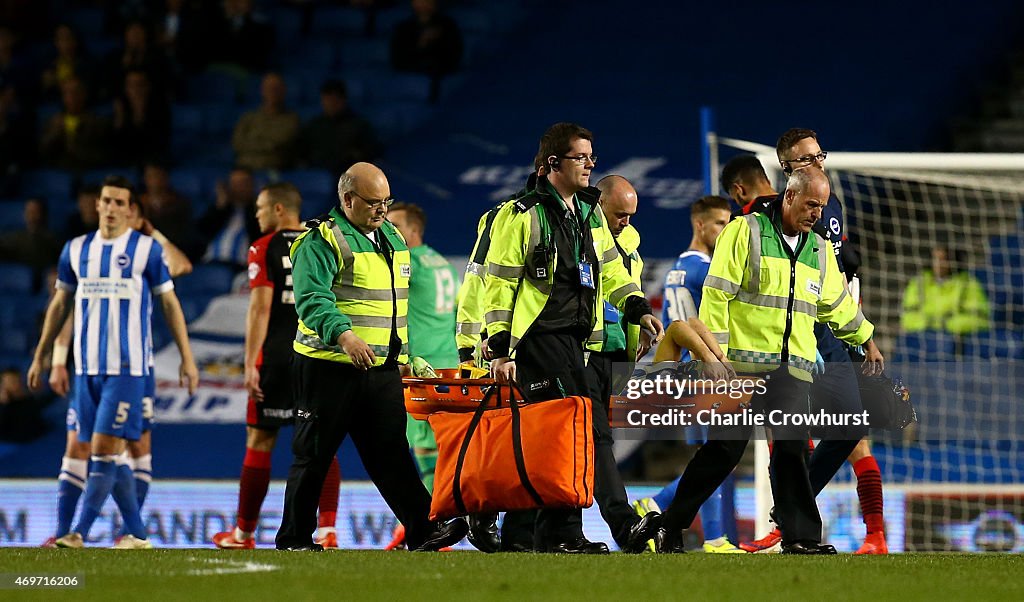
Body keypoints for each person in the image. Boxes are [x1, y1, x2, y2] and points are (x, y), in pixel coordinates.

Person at [654, 168, 882, 555]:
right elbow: (717, 295)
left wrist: (866, 339)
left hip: (790, 369)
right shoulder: (745, 232)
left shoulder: (819, 249)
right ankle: (670, 525)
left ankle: (801, 537)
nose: (816, 214)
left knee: (793, 450)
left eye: (822, 207)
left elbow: (835, 305)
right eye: (811, 204)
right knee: (722, 454)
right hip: (739, 366)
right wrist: (716, 356)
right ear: (789, 196)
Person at [484, 123, 664, 554]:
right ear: (552, 164)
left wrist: (637, 306)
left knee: (555, 436)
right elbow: (498, 284)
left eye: (591, 157)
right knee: (573, 430)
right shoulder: (521, 215)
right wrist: (499, 347)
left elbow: (610, 267)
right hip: (536, 340)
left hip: (574, 343)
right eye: (580, 157)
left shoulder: (586, 210)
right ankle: (573, 531)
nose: (589, 165)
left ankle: (526, 534)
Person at [275, 162, 467, 551]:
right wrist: (345, 337)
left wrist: (404, 354)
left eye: (386, 201)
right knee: (314, 455)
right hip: (327, 367)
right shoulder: (320, 241)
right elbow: (312, 301)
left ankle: (423, 528)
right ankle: (294, 537)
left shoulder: (393, 239)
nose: (382, 209)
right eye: (374, 202)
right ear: (347, 200)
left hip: (378, 369)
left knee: (391, 452)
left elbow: (395, 306)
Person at [723, 149, 891, 555]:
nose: (813, 161)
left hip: (832, 334)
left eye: (818, 154)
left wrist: (862, 334)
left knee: (851, 433)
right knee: (789, 433)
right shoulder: (755, 222)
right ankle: (796, 524)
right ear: (785, 169)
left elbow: (842, 266)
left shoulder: (823, 207)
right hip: (786, 340)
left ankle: (868, 533)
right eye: (803, 157)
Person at [27, 175, 199, 549]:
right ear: (97, 205)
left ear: (130, 209)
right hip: (85, 369)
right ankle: (136, 534)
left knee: (109, 449)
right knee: (98, 451)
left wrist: (188, 358)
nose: (111, 208)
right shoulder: (75, 249)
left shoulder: (146, 250)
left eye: (120, 202)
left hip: (129, 369)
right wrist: (45, 354)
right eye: (106, 200)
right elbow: (60, 305)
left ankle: (76, 534)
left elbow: (170, 302)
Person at [213, 183, 342, 550]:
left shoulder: (264, 247)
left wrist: (251, 361)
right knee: (321, 445)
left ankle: (243, 534)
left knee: (260, 441)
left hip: (275, 359)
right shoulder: (322, 241)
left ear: (280, 209)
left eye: (261, 208)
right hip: (315, 355)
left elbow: (260, 308)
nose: (257, 215)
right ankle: (327, 530)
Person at [634, 194, 743, 554]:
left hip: (682, 368)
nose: (726, 232)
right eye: (720, 224)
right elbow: (698, 321)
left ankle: (659, 507)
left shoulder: (677, 267)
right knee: (714, 457)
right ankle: (712, 537)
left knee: (709, 456)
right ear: (700, 224)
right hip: (703, 368)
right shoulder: (707, 269)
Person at [581, 174, 662, 553]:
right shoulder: (580, 237)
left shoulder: (630, 244)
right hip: (581, 352)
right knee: (597, 441)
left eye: (631, 215)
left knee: (584, 442)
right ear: (598, 207)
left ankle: (528, 529)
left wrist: (639, 327)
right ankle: (624, 523)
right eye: (619, 214)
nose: (625, 222)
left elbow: (629, 291)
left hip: (615, 354)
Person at [900, 244, 990, 335]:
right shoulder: (918, 283)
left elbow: (980, 319)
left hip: (956, 338)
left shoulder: (968, 284)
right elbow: (908, 316)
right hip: (924, 335)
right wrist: (931, 326)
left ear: (953, 261)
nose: (938, 264)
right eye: (935, 259)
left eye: (943, 259)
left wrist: (946, 325)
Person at [299, 80, 380, 177]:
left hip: (349, 177)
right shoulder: (313, 125)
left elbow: (369, 153)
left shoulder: (360, 125)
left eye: (336, 99)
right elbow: (302, 154)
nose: (332, 103)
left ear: (344, 100)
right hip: (318, 174)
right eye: (328, 99)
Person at [389, 0, 463, 101]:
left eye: (428, 1)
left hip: (439, 75)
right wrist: (421, 43)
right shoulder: (403, 28)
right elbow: (397, 59)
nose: (424, 3)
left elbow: (454, 56)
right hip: (411, 75)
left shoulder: (448, 26)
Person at [39, 76, 110, 170]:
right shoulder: (54, 121)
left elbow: (105, 154)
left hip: (90, 172)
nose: (71, 96)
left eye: (75, 92)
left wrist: (77, 148)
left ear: (84, 94)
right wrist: (54, 135)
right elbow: (42, 153)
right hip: (60, 173)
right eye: (66, 92)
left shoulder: (97, 122)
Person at [232, 72, 299, 171]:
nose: (272, 91)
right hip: (243, 168)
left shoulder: (291, 119)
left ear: (283, 91)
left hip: (273, 169)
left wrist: (251, 143)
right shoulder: (248, 117)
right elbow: (237, 143)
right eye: (268, 87)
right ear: (262, 90)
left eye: (276, 88)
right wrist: (264, 144)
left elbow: (277, 144)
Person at [198, 167, 260, 267]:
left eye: (243, 183)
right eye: (234, 183)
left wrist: (256, 205)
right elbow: (202, 232)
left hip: (241, 265)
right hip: (211, 262)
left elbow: (258, 234)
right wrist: (221, 207)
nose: (239, 188)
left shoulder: (257, 213)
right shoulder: (220, 210)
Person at [0, 197, 63, 287]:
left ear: (44, 214)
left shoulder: (55, 239)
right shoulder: (15, 238)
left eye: (36, 212)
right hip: (19, 283)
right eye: (29, 212)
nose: (32, 216)